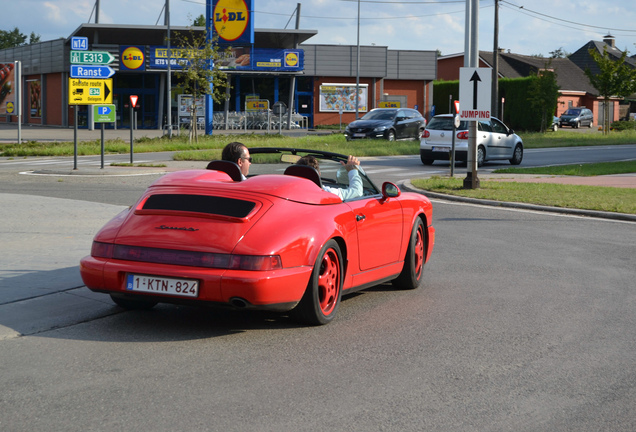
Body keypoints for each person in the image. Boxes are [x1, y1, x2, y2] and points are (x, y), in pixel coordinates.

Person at [296, 155, 363, 200]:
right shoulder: (326, 193)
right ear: (318, 174)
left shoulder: (288, 193)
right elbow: (357, 192)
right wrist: (352, 170)